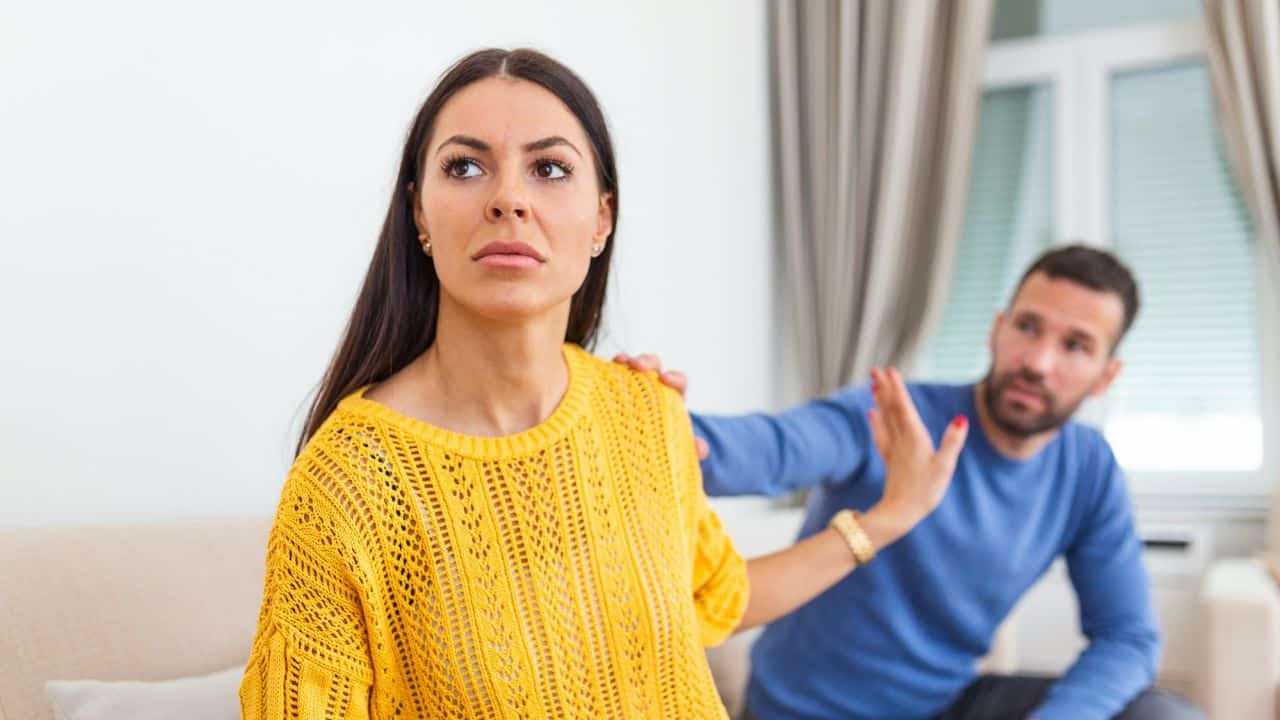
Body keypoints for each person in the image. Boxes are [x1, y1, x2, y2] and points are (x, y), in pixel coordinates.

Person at [238, 48, 969, 720]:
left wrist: (891, 515)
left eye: (549, 169)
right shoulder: (349, 483)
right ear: (419, 216)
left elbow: (715, 600)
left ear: (601, 219)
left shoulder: (645, 413)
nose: (508, 199)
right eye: (466, 167)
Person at [620, 245, 1206, 720]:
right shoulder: (895, 415)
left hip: (946, 705)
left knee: (1164, 716)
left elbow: (1128, 638)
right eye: (1028, 327)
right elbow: (771, 449)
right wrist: (653, 424)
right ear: (997, 330)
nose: (1039, 361)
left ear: (1107, 376)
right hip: (808, 712)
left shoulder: (1088, 469)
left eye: (1075, 346)